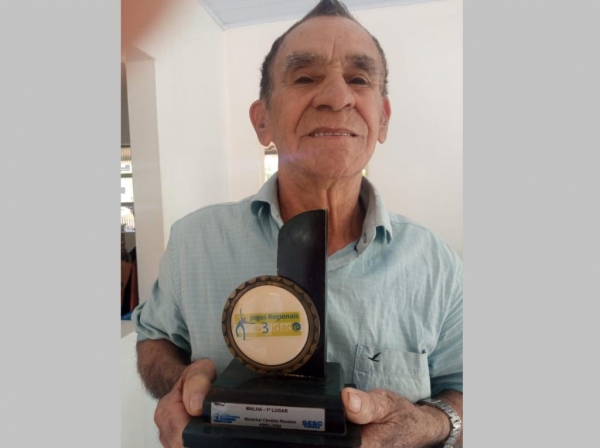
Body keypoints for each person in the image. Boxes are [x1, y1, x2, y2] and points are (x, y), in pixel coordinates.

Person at [132, 1, 463, 447]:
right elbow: (153, 338)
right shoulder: (194, 242)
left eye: (359, 79)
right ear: (262, 119)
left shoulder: (438, 265)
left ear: (382, 119)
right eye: (305, 77)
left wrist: (432, 424)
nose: (336, 96)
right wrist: (179, 383)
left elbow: (465, 387)